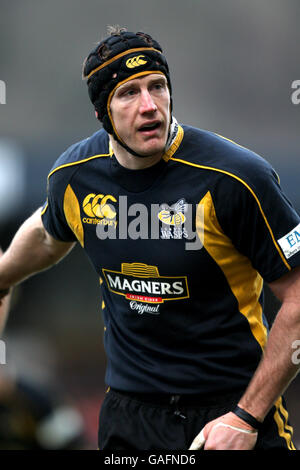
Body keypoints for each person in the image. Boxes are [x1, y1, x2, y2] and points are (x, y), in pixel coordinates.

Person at [0, 26, 300, 451]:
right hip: (131, 421)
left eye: (158, 86)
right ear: (102, 114)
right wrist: (4, 273)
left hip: (233, 415)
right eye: (128, 93)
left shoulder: (236, 178)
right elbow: (49, 232)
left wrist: (246, 417)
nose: (149, 106)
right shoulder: (75, 177)